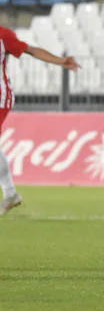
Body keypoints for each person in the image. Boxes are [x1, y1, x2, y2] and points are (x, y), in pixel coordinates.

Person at [0, 27, 79, 216]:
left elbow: (32, 50)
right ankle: (10, 192)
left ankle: (10, 192)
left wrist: (60, 61)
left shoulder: (3, 35)